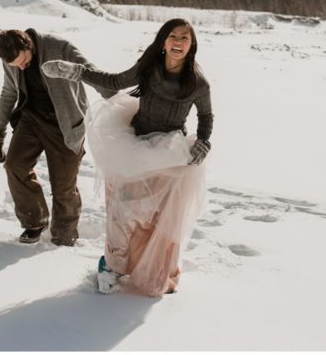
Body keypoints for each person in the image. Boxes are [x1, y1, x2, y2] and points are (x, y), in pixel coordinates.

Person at [42, 18, 213, 296]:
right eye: (173, 36)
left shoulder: (197, 83)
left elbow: (206, 117)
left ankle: (158, 268)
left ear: (192, 45)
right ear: (163, 41)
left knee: (160, 216)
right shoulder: (149, 68)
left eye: (185, 37)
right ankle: (113, 265)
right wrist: (77, 72)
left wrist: (203, 142)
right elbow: (115, 81)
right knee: (121, 208)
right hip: (133, 145)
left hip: (169, 154)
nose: (178, 42)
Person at [0, 29, 112, 246]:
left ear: (30, 46)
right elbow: (9, 92)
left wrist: (121, 99)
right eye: (15, 65)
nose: (20, 67)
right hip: (31, 118)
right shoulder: (11, 60)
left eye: (24, 61)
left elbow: (91, 73)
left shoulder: (59, 47)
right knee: (14, 165)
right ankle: (34, 221)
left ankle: (64, 236)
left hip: (65, 124)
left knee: (63, 186)